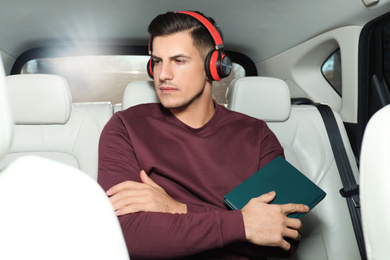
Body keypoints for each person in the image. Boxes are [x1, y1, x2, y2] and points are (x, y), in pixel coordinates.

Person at [98, 11, 309, 260]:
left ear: (214, 66)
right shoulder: (125, 127)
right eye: (156, 61)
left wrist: (174, 208)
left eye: (178, 60)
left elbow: (281, 239)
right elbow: (126, 237)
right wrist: (243, 225)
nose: (163, 74)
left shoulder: (257, 135)